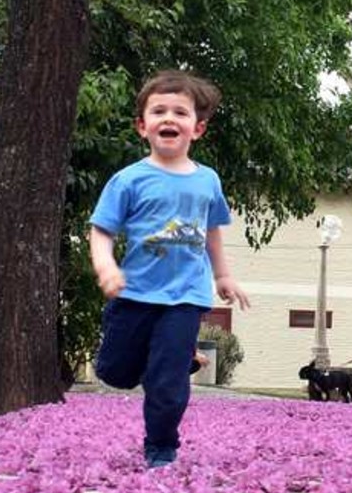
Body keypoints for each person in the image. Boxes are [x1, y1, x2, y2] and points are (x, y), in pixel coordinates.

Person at [89, 70, 250, 468]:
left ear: (197, 128)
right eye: (158, 111)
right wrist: (106, 266)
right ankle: (167, 359)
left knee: (166, 385)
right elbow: (101, 231)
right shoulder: (128, 180)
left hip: (185, 297)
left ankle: (161, 447)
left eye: (180, 112)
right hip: (135, 294)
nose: (169, 118)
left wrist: (223, 275)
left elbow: (212, 231)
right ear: (142, 126)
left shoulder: (208, 181)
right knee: (115, 373)